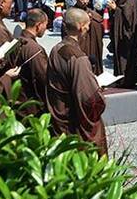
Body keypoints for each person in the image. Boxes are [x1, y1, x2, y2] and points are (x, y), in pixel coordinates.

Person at [45, 8, 108, 155]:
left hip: (59, 115)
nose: (88, 28)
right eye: (87, 25)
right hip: (74, 122)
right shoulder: (79, 59)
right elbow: (89, 99)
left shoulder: (57, 48)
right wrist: (99, 93)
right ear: (80, 27)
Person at [10, 8, 49, 114]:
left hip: (17, 96)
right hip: (29, 104)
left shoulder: (16, 39)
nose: (46, 28)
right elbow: (43, 77)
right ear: (39, 25)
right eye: (45, 25)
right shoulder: (34, 49)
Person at [108, 0, 137, 87]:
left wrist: (115, 9)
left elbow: (128, 17)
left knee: (126, 57)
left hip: (126, 34)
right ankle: (119, 78)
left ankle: (126, 80)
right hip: (119, 31)